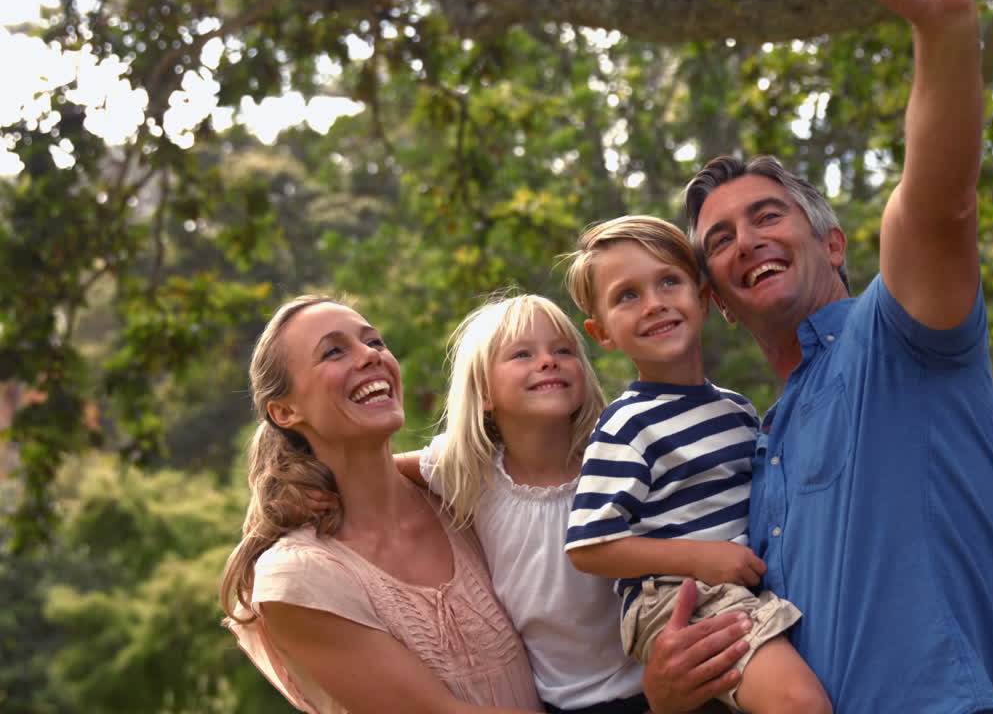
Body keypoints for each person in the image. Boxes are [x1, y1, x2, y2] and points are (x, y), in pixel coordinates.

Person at [644, 0, 993, 712]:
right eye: (719, 241)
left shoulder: (901, 339)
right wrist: (666, 690)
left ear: (833, 243)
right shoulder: (754, 447)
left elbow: (939, 208)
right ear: (718, 299)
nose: (745, 240)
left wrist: (943, 27)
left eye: (767, 216)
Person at [219, 295, 543, 713]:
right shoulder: (297, 577)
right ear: (284, 411)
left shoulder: (464, 498)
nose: (370, 356)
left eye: (374, 342)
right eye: (334, 351)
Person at [560, 215, 831, 714]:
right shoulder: (627, 424)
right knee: (800, 704)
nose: (655, 303)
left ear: (703, 298)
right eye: (627, 296)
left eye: (669, 281)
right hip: (679, 594)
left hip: (745, 585)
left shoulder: (738, 411)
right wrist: (698, 559)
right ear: (602, 333)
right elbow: (589, 547)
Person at [395, 293, 649, 714]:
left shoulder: (616, 458)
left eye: (563, 350)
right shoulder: (470, 471)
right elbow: (381, 471)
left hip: (651, 687)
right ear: (484, 393)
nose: (548, 361)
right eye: (522, 354)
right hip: (555, 703)